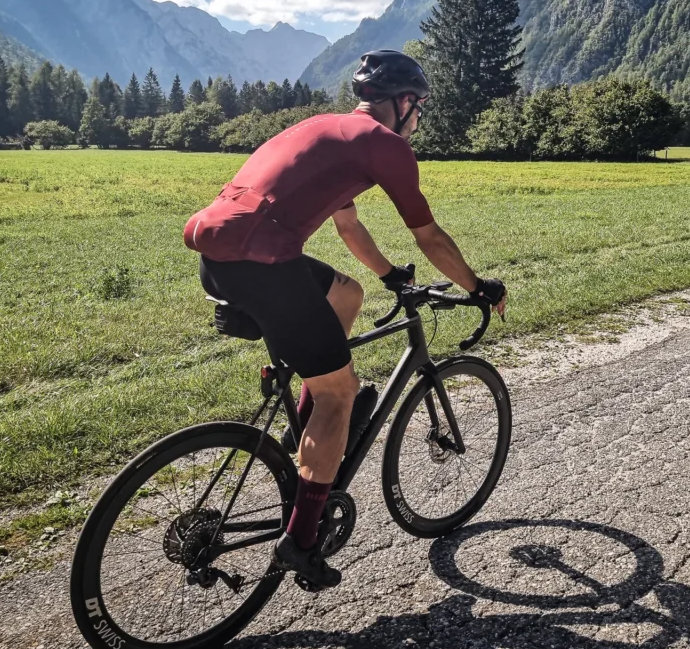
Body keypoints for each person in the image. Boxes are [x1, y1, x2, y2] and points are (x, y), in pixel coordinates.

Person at [183, 50, 507, 589]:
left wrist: (389, 275)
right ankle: (301, 542)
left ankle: (306, 432)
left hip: (218, 258)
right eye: (420, 106)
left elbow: (348, 225)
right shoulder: (386, 145)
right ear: (403, 102)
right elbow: (429, 236)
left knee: (348, 295)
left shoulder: (324, 129)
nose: (419, 118)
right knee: (340, 393)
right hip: (264, 267)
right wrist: (478, 287)